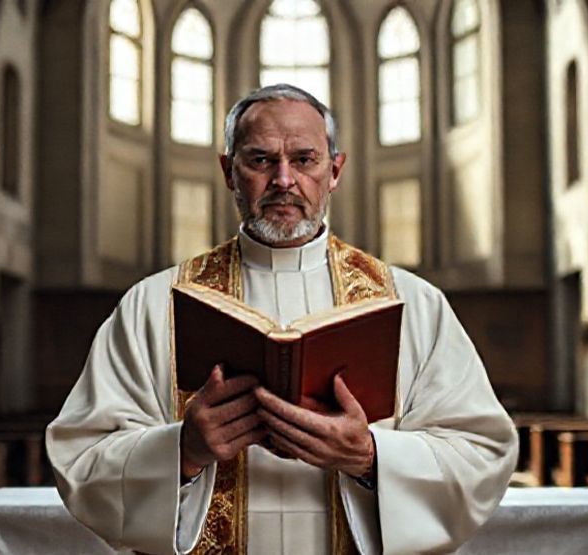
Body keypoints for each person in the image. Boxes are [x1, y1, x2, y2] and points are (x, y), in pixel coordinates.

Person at [46, 84, 517, 555]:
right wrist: (183, 451)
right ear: (229, 171)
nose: (284, 180)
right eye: (261, 160)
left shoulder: (413, 303)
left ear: (335, 171)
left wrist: (371, 457)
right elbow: (81, 460)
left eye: (305, 160)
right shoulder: (153, 305)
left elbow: (482, 455)